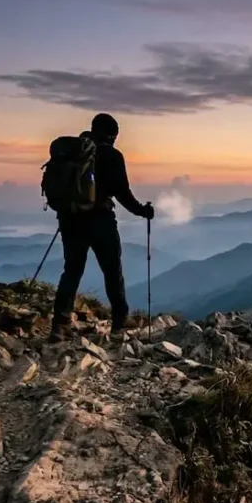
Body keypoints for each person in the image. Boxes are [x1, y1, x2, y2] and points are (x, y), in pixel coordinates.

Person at [51, 113, 153, 337]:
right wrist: (142, 211)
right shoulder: (112, 155)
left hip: (70, 220)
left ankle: (60, 323)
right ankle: (119, 323)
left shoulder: (72, 153)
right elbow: (122, 193)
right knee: (112, 271)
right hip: (101, 221)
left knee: (72, 270)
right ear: (112, 135)